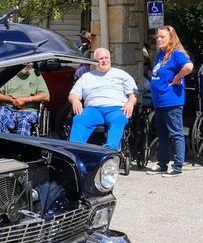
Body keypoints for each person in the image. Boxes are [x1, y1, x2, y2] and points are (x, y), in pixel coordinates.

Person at [68, 48, 138, 151]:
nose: (104, 60)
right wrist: (75, 100)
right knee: (79, 119)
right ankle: (75, 151)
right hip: (93, 109)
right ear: (95, 61)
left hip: (116, 109)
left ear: (110, 58)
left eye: (106, 58)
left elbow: (133, 93)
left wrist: (130, 103)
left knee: (119, 119)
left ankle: (110, 152)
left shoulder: (122, 75)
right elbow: (73, 94)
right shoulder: (86, 77)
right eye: (101, 58)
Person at [148, 25, 194, 177]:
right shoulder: (161, 54)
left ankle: (177, 166)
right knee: (162, 134)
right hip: (159, 101)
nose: (159, 39)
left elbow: (189, 66)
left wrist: (178, 77)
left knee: (176, 134)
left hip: (171, 100)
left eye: (163, 37)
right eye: (158, 37)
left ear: (171, 38)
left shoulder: (176, 54)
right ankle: (162, 164)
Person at [0, 63, 49, 135]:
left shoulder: (36, 75)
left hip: (28, 111)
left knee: (24, 122)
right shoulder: (7, 74)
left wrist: (25, 100)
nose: (29, 64)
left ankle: (20, 145)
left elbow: (46, 96)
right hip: (8, 109)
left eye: (31, 62)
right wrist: (12, 100)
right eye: (26, 62)